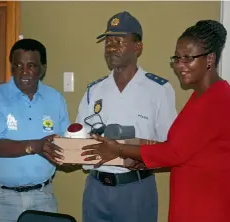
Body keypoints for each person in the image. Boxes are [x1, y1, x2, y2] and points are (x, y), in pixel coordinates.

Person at [82, 20, 230, 222]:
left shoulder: (218, 100)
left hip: (213, 204)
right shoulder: (200, 96)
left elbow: (174, 153)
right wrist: (141, 157)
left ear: (209, 59)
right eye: (177, 58)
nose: (180, 66)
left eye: (188, 59)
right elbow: (177, 146)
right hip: (194, 198)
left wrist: (119, 150)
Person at [75, 11, 177, 222]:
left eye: (118, 41)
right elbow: (79, 138)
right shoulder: (94, 90)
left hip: (135, 189)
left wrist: (140, 158)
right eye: (107, 42)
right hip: (96, 189)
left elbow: (170, 147)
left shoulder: (158, 89)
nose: (111, 48)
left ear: (137, 47)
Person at [0, 38, 69, 222]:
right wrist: (37, 146)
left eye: (31, 65)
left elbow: (64, 142)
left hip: (42, 198)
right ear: (12, 67)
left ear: (43, 68)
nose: (24, 72)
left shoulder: (55, 99)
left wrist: (73, 157)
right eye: (18, 65)